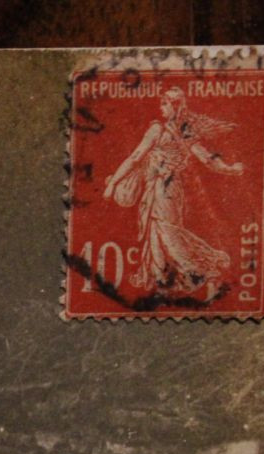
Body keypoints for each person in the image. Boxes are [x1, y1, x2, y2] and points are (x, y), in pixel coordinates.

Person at [102, 87, 245, 298]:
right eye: (162, 103)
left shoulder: (157, 130)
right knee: (159, 231)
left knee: (166, 231)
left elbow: (135, 158)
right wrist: (229, 168)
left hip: (161, 188)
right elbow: (207, 159)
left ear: (175, 106)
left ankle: (198, 269)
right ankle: (161, 278)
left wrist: (113, 183)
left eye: (165, 104)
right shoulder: (185, 132)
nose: (161, 108)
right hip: (171, 189)